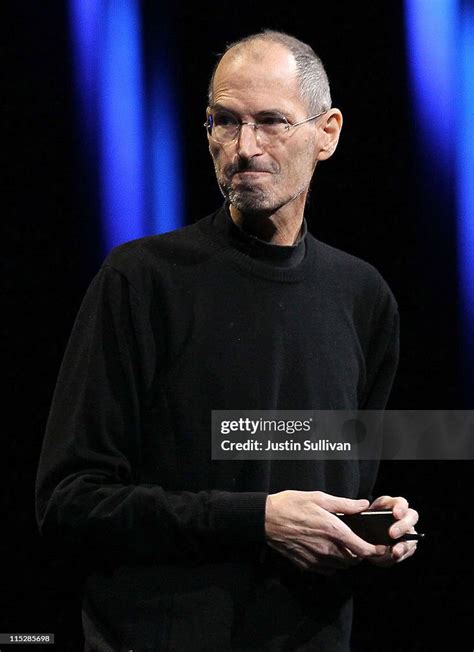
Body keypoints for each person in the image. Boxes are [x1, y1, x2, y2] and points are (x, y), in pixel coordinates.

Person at [36, 30, 419, 651]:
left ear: (329, 133)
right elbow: (69, 502)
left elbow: (337, 470)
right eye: (225, 122)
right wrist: (258, 521)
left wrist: (373, 527)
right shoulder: (142, 279)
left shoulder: (364, 296)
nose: (245, 147)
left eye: (271, 122)